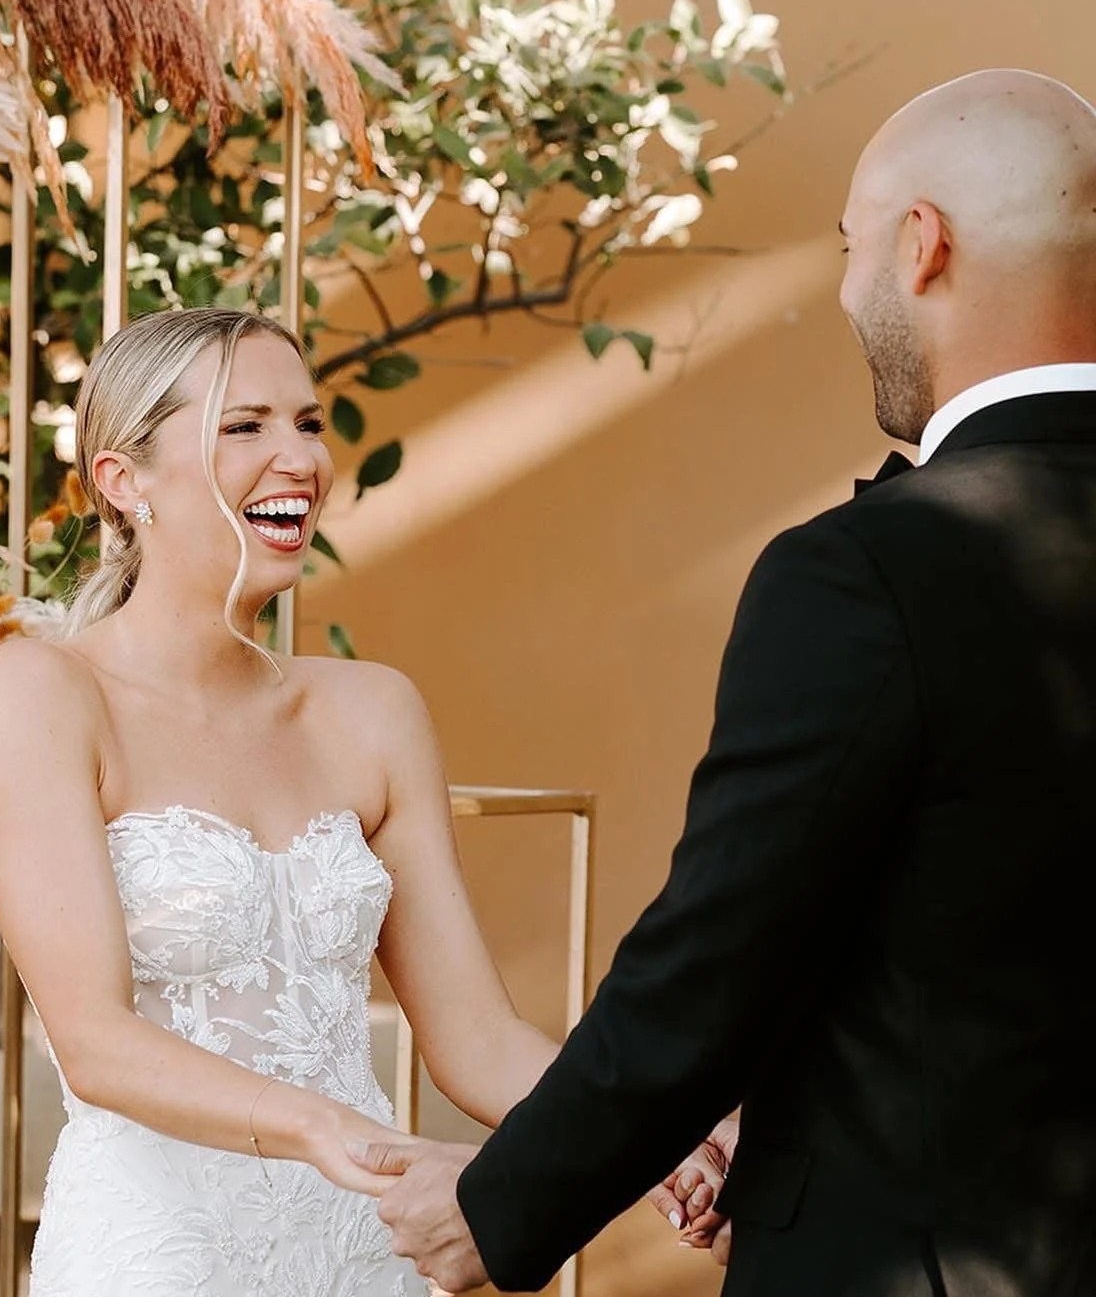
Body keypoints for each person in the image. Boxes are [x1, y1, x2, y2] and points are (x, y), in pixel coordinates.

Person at [361, 68, 1096, 1295]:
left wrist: (502, 1205)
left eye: (850, 247)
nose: (848, 290)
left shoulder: (872, 570)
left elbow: (724, 949)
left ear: (923, 248)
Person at [0, 306, 722, 1295]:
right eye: (246, 426)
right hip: (155, 1254)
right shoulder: (42, 695)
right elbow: (96, 1043)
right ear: (123, 478)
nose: (299, 458)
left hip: (361, 1247)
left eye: (309, 424)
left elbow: (474, 1037)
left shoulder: (373, 711)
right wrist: (328, 1127)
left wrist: (650, 1128)